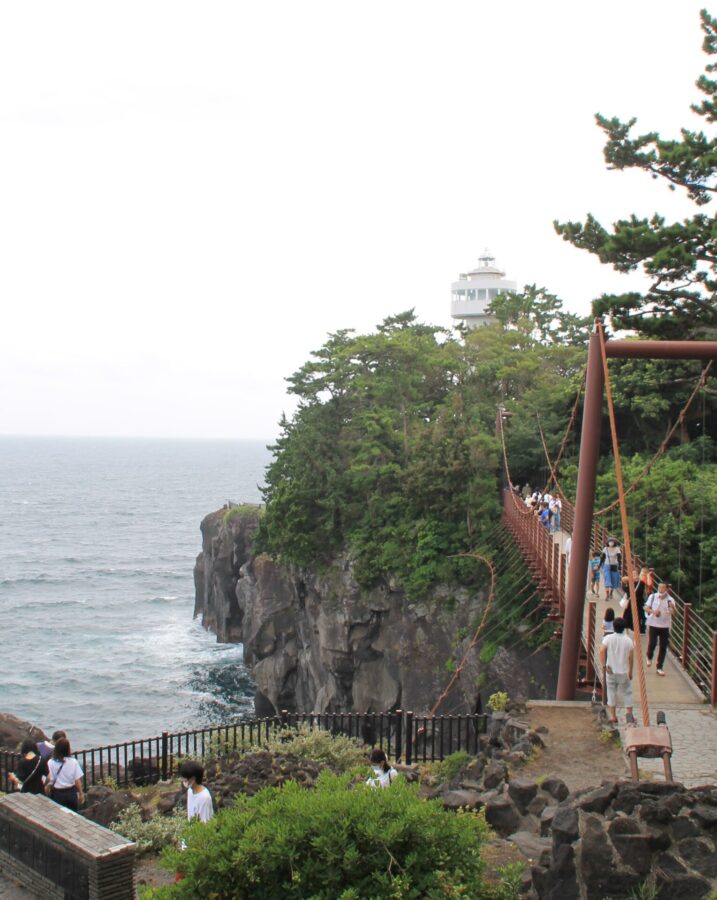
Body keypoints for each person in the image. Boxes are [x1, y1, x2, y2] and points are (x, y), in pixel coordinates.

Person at [599, 617, 634, 724]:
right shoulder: (628, 640)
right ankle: (628, 714)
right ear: (624, 628)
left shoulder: (608, 638)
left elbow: (601, 651)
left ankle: (613, 716)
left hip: (610, 670)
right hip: (623, 671)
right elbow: (631, 657)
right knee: (627, 692)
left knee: (611, 693)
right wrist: (630, 671)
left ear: (614, 626)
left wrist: (603, 665)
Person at [645, 583, 676, 676]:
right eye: (659, 587)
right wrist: (653, 612)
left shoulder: (670, 600)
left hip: (665, 626)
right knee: (652, 643)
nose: (661, 589)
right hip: (653, 624)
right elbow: (646, 608)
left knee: (663, 647)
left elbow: (674, 613)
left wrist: (672, 608)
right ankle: (649, 656)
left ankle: (659, 667)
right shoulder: (653, 596)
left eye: (663, 588)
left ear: (666, 589)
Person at [46, 737, 84, 811]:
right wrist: (81, 793)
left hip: (58, 793)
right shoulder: (73, 762)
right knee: (73, 814)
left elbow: (50, 778)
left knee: (59, 815)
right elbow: (77, 780)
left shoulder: (51, 762)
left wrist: (47, 789)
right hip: (71, 792)